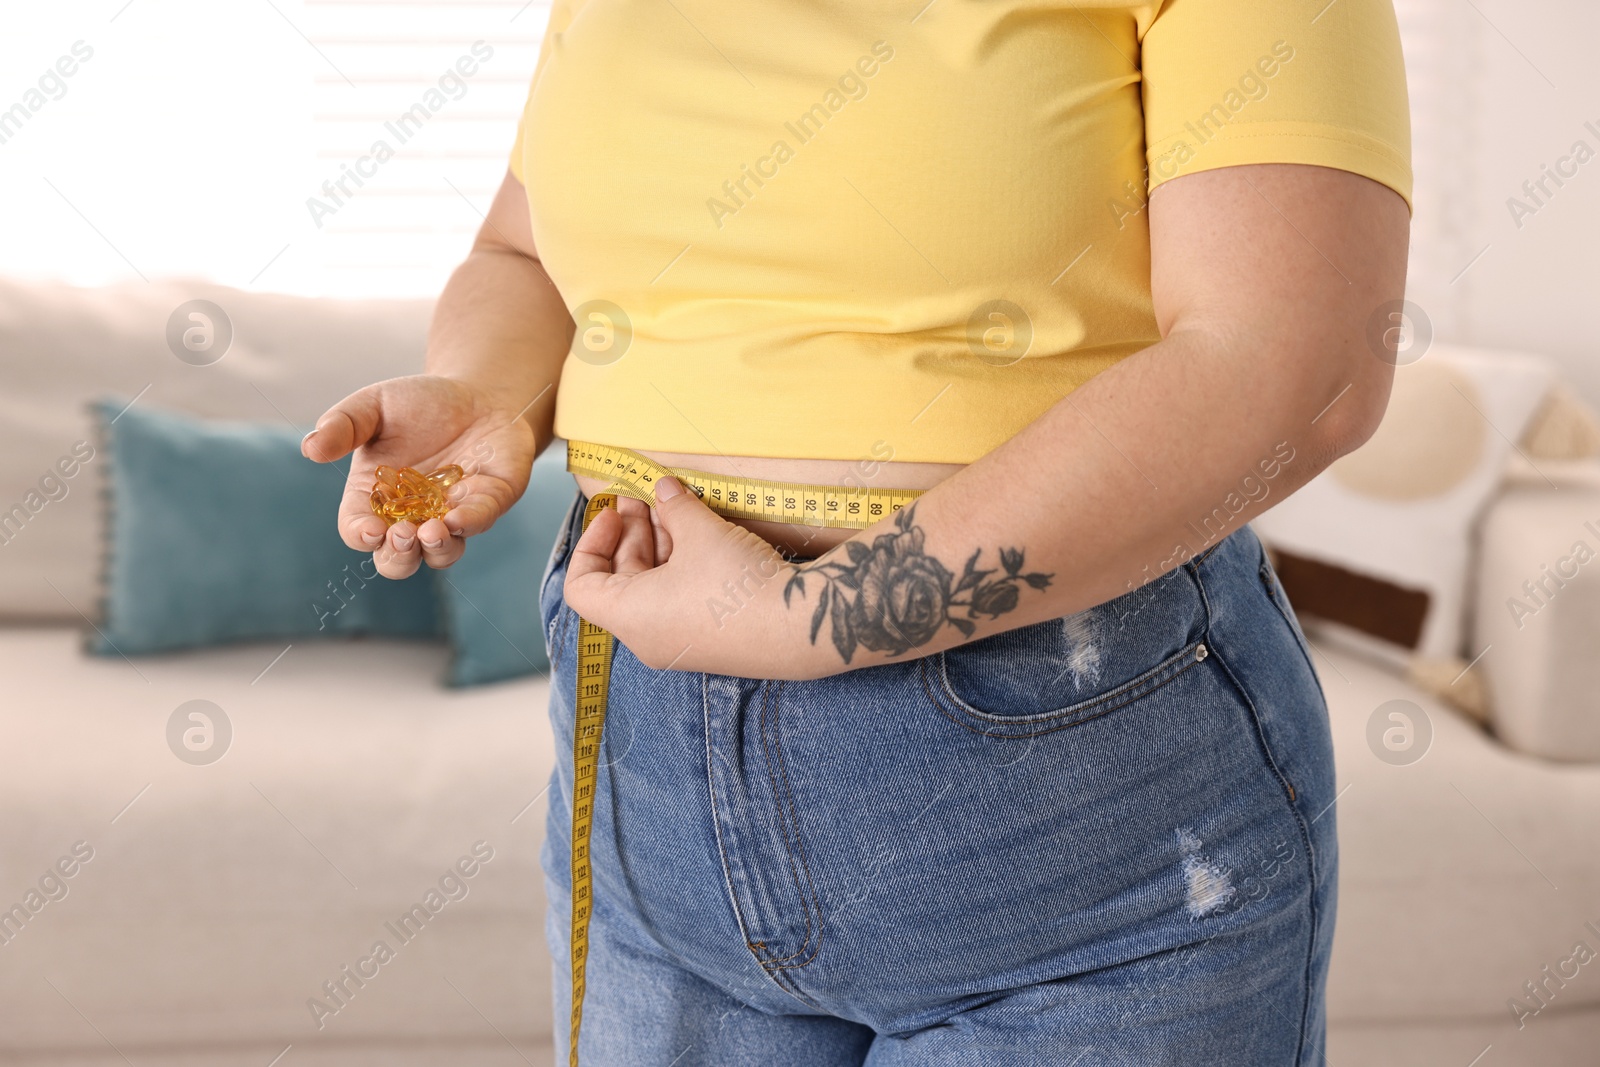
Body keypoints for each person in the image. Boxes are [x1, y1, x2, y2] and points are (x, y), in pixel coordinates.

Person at [304, 0, 1413, 1061]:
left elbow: (1297, 366)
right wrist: (483, 388)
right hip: (646, 763)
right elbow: (525, 254)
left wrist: (808, 616)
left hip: (1067, 793)